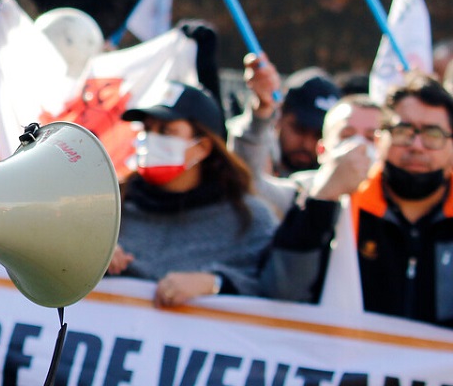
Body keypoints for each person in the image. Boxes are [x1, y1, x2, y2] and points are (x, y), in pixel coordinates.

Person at [262, 73, 453, 328]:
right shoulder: (341, 203)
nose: (417, 145)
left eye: (433, 134)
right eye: (403, 130)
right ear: (379, 138)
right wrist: (320, 201)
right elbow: (281, 292)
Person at [109, 82, 279, 307]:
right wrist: (91, 259)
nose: (150, 140)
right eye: (147, 130)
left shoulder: (249, 218)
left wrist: (216, 284)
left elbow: (277, 290)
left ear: (203, 147)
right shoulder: (111, 205)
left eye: (166, 131)